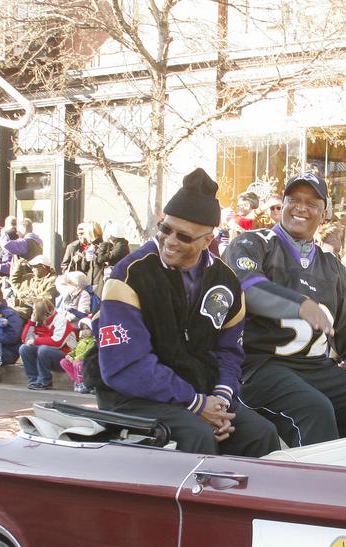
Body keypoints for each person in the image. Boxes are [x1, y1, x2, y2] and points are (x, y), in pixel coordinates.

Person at [91, 167, 279, 457]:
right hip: (133, 395)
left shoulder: (226, 282)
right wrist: (195, 404)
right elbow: (126, 366)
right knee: (197, 435)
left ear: (208, 240)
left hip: (198, 394)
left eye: (184, 236)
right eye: (165, 228)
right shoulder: (128, 275)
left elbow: (229, 353)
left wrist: (220, 402)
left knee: (262, 434)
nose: (170, 240)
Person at [223, 172, 346, 447]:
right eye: (293, 200)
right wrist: (299, 305)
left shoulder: (332, 267)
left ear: (323, 214)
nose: (301, 207)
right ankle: (316, 487)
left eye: (311, 203)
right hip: (261, 366)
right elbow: (246, 289)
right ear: (282, 205)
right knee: (313, 409)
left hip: (316, 368)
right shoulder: (253, 243)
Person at [19, 298, 75, 390]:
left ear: (44, 313)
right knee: (24, 348)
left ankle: (44, 381)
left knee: (43, 349)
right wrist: (31, 322)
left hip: (65, 356)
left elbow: (57, 342)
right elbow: (25, 339)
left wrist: (36, 341)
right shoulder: (38, 321)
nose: (33, 312)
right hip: (45, 355)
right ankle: (34, 380)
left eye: (35, 310)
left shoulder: (60, 320)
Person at [61, 317, 96, 393]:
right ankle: (77, 381)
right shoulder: (82, 340)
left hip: (85, 362)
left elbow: (88, 352)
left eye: (87, 329)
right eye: (83, 329)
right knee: (63, 362)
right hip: (77, 360)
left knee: (77, 364)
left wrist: (76, 359)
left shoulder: (92, 341)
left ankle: (83, 383)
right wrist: (70, 355)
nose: (85, 331)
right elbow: (75, 350)